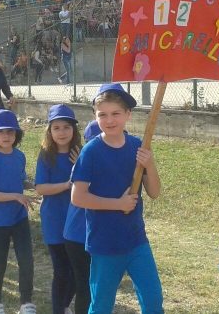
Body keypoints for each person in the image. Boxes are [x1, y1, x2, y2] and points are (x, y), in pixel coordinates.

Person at [70, 83, 163, 314]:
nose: (109, 120)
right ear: (95, 116)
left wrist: (149, 164)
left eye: (116, 114)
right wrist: (117, 204)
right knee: (101, 305)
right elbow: (78, 197)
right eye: (103, 115)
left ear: (128, 115)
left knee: (153, 300)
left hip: (136, 240)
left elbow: (154, 192)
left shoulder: (137, 147)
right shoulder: (91, 151)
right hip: (105, 244)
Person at [0, 109, 37, 314]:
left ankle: (26, 302)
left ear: (16, 134)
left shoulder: (20, 156)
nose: (6, 136)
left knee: (26, 260)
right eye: (1, 131)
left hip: (18, 218)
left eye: (11, 131)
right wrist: (16, 196)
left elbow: (20, 180)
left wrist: (34, 185)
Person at [35, 105, 82, 314]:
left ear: (74, 130)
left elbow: (92, 182)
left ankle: (63, 306)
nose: (62, 132)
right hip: (54, 220)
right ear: (50, 131)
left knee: (77, 271)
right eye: (56, 128)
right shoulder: (46, 155)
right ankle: (58, 309)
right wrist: (67, 184)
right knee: (61, 271)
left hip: (77, 222)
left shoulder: (81, 153)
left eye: (66, 127)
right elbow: (40, 188)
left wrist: (80, 163)